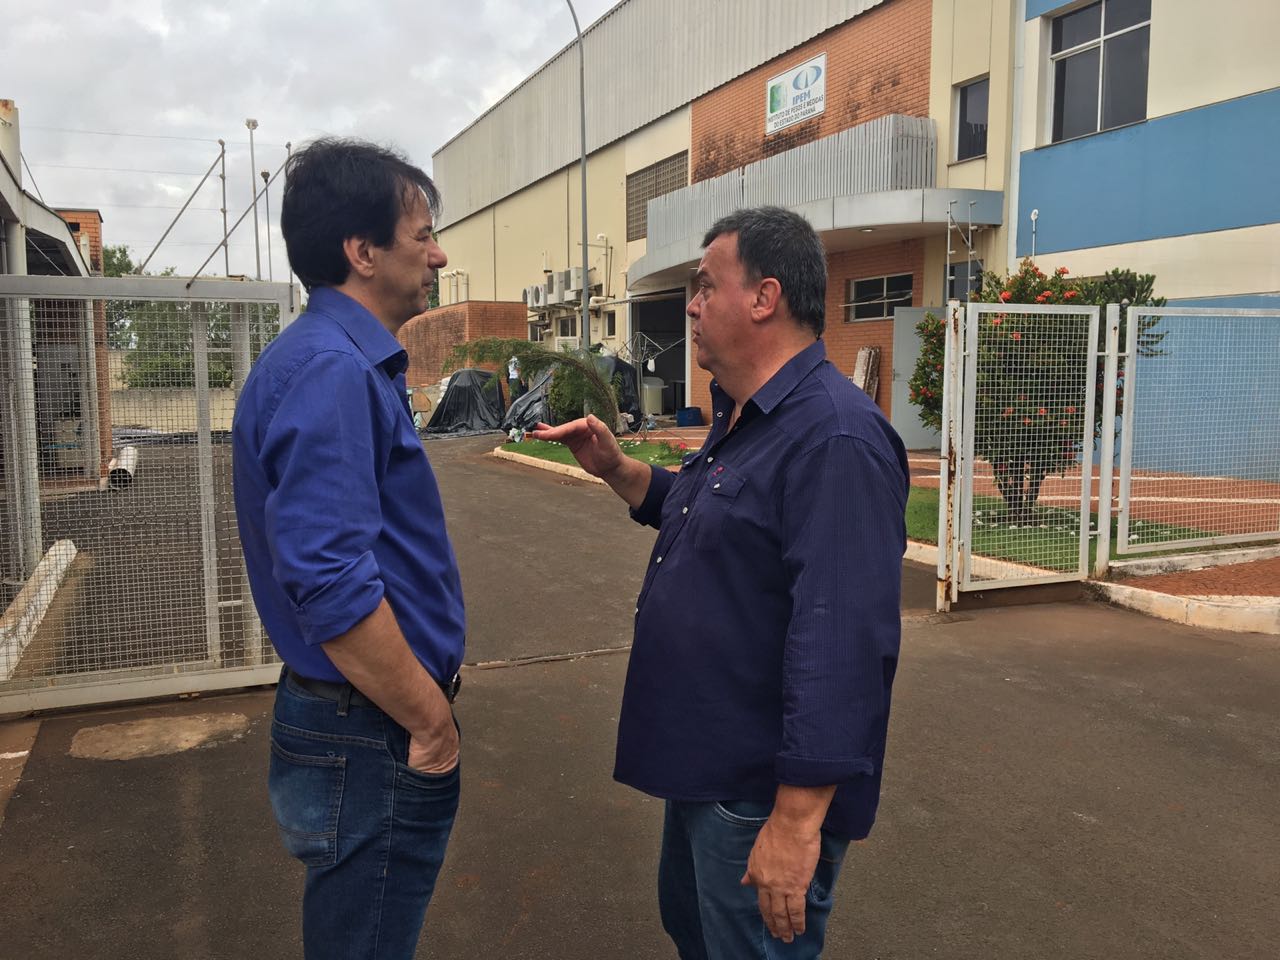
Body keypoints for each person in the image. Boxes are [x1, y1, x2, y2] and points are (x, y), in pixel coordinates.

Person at [531, 206, 908, 959]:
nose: (693, 305)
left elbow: (842, 645)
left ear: (764, 297)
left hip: (758, 796)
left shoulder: (834, 437)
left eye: (707, 286)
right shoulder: (748, 417)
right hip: (711, 774)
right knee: (697, 938)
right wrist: (620, 471)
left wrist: (797, 824)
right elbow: (712, 518)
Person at [232, 138, 464, 960]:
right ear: (361, 253)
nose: (438, 253)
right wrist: (430, 722)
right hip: (371, 729)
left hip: (357, 720)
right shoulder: (333, 370)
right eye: (421, 235)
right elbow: (330, 583)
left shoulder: (336, 360)